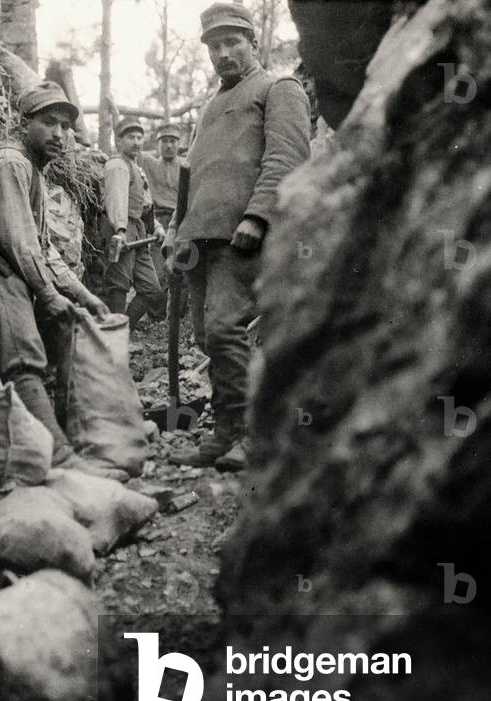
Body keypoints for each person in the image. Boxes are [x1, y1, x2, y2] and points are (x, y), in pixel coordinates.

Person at [163, 1, 311, 471]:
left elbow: (287, 156)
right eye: (214, 45)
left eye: (233, 42)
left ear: (253, 43)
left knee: (227, 329)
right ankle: (228, 431)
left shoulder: (277, 87)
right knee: (209, 338)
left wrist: (259, 215)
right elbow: (190, 177)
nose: (223, 53)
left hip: (242, 233)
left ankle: (252, 435)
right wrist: (174, 232)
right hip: (200, 237)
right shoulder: (210, 107)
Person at [0, 81, 127, 481]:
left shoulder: (31, 168)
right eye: (49, 123)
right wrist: (48, 295)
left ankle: (56, 451)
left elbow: (44, 247)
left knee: (34, 357)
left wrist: (82, 294)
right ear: (24, 124)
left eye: (67, 126)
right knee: (22, 361)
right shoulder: (10, 163)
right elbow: (18, 243)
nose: (60, 135)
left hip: (11, 272)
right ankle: (59, 459)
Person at [102, 117, 165, 326]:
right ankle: (114, 340)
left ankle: (123, 330)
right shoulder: (118, 165)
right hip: (121, 227)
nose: (136, 142)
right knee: (119, 283)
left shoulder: (136, 168)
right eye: (131, 137)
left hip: (138, 230)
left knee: (152, 289)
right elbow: (116, 199)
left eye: (139, 137)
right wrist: (120, 230)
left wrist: (155, 226)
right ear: (118, 141)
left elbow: (146, 203)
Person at [139, 124, 188, 319]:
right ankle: (157, 316)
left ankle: (177, 315)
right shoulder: (149, 163)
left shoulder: (186, 165)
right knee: (158, 272)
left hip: (181, 220)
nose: (169, 146)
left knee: (183, 268)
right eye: (164, 141)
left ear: (179, 144)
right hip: (158, 220)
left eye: (173, 141)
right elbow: (127, 148)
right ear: (158, 144)